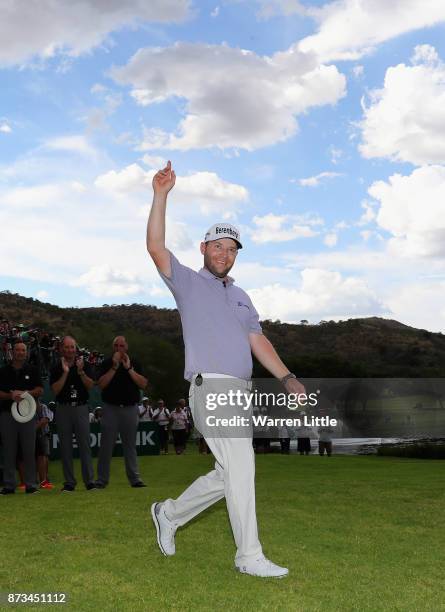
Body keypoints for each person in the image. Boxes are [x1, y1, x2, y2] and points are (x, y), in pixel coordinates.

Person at [147, 160, 306, 578]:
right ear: (204, 249)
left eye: (232, 249)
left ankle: (170, 513)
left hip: (240, 391)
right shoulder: (186, 281)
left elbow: (258, 341)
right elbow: (156, 248)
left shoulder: (242, 296)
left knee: (228, 472)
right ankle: (248, 556)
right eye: (218, 246)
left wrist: (287, 377)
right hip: (211, 386)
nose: (225, 253)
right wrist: (161, 195)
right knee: (243, 466)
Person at [95, 336, 147, 489]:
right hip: (111, 408)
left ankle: (135, 479)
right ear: (113, 348)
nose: (119, 348)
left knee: (130, 446)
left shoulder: (135, 363)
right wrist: (114, 367)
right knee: (106, 446)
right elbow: (101, 384)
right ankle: (101, 480)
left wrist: (129, 368)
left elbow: (143, 384)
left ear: (127, 347)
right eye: (116, 346)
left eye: (122, 346)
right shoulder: (106, 363)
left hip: (130, 409)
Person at [50, 336, 97, 492]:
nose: (70, 350)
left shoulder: (84, 364)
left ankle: (89, 482)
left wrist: (81, 371)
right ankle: (69, 483)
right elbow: (55, 390)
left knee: (85, 446)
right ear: (61, 349)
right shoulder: (57, 367)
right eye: (67, 347)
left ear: (76, 349)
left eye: (72, 347)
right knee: (65, 448)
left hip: (81, 408)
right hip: (63, 408)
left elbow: (91, 386)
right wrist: (65, 373)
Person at [0, 341, 43, 495]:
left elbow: (40, 390)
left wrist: (25, 394)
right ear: (13, 352)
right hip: (7, 415)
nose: (20, 353)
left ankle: (31, 484)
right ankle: (9, 485)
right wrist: (10, 395)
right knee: (9, 450)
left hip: (28, 415)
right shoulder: (3, 371)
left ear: (26, 353)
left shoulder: (33, 370)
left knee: (29, 450)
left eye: (23, 350)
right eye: (17, 350)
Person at [36, 400, 54, 489]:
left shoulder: (43, 406)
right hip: (31, 435)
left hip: (43, 434)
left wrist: (32, 428)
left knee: (44, 456)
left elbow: (46, 419)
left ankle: (45, 480)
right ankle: (37, 480)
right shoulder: (25, 407)